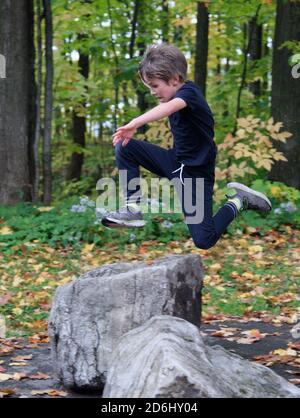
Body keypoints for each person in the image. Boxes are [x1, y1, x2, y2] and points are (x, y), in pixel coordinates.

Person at [101, 44, 271, 250]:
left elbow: (169, 107)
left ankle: (240, 201)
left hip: (195, 175)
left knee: (204, 240)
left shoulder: (190, 93)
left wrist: (135, 123)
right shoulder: (173, 94)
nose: (152, 92)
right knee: (125, 146)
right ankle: (132, 208)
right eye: (149, 87)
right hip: (175, 162)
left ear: (175, 79)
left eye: (154, 86)